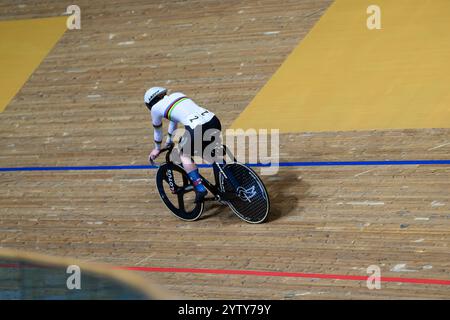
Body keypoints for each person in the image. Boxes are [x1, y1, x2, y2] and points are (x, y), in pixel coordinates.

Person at [144, 87, 222, 203]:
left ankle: (199, 188)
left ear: (150, 103)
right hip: (213, 121)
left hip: (196, 128)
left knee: (183, 154)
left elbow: (158, 131)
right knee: (208, 152)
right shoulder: (177, 95)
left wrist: (157, 148)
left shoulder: (155, 108)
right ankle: (227, 179)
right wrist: (169, 141)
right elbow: (173, 122)